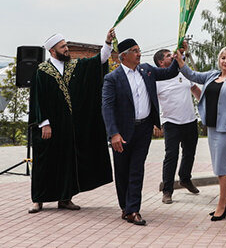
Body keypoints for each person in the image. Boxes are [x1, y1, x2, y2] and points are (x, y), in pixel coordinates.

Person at [28, 30, 115, 214]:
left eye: (66, 46)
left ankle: (65, 198)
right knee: (45, 163)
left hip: (70, 128)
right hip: (50, 126)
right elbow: (37, 98)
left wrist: (107, 42)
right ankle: (38, 199)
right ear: (52, 51)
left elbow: (98, 61)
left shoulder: (74, 66)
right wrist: (44, 123)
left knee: (67, 162)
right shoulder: (42, 71)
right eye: (63, 47)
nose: (67, 49)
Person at [101, 37, 183, 226]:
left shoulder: (146, 70)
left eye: (139, 50)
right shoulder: (112, 79)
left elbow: (169, 72)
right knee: (122, 171)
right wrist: (113, 133)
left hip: (144, 129)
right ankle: (125, 206)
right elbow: (107, 107)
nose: (139, 54)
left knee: (137, 169)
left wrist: (180, 55)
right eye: (135, 51)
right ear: (124, 56)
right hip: (122, 133)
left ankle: (133, 210)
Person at [179, 43, 226, 221]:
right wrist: (181, 59)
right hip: (212, 127)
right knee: (219, 167)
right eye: (223, 57)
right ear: (219, 60)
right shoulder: (211, 75)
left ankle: (222, 204)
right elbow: (192, 75)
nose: (225, 61)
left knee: (223, 168)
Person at [152, 48, 202, 204]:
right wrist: (153, 123)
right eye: (168, 56)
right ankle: (167, 191)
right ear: (161, 63)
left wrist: (207, 105)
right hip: (171, 122)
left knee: (189, 153)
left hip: (190, 120)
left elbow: (194, 89)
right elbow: (151, 102)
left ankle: (185, 179)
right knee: (171, 156)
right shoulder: (157, 80)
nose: (172, 57)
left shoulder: (183, 72)